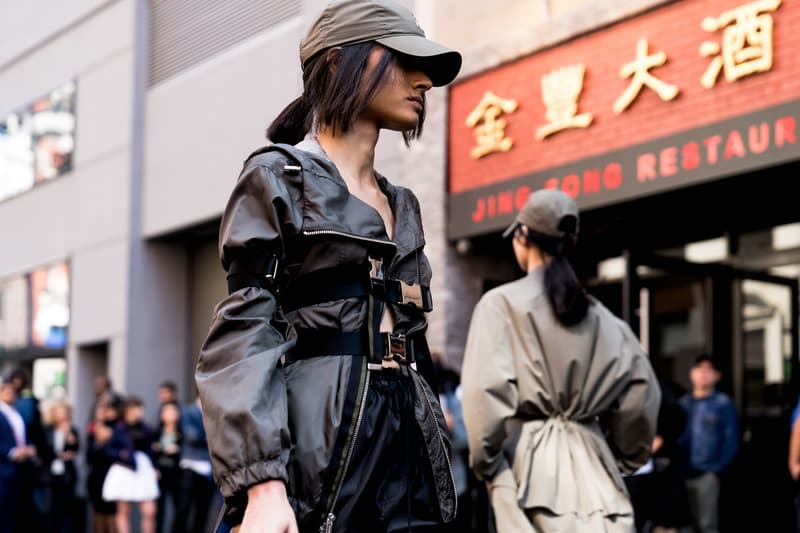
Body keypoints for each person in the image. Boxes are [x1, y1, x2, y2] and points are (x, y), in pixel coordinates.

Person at [194, 1, 462, 531]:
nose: (424, 81)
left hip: (406, 448)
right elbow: (244, 332)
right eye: (403, 59)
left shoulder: (404, 204)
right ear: (339, 62)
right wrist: (263, 486)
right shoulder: (278, 177)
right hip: (320, 447)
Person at [460, 189, 661, 533]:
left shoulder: (501, 305)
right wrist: (617, 458)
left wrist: (488, 467)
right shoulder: (607, 321)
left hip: (528, 473)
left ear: (523, 235)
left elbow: (484, 396)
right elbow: (641, 400)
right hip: (598, 476)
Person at [677, 354, 740, 533]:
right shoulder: (683, 404)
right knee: (685, 525)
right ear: (691, 373)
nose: (703, 374)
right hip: (682, 473)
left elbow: (731, 441)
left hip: (708, 473)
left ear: (717, 376)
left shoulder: (722, 403)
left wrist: (717, 470)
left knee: (707, 525)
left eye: (709, 370)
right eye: (699, 369)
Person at [101, 396, 160, 533]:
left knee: (149, 511)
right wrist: (122, 454)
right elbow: (108, 449)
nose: (138, 411)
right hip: (125, 469)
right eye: (134, 408)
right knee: (123, 511)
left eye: (139, 408)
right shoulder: (119, 428)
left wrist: (155, 467)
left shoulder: (145, 427)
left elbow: (150, 449)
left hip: (143, 468)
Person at [174, 397, 216, 533]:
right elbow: (192, 436)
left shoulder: (214, 413)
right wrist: (211, 439)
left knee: (203, 511)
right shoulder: (187, 411)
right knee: (184, 509)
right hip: (191, 467)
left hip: (209, 469)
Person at [0, 378, 37, 533]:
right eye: (7, 391)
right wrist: (12, 452)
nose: (10, 394)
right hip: (3, 469)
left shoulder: (17, 413)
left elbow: (22, 435)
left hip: (19, 470)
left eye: (12, 392)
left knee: (14, 512)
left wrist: (27, 449)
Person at [43, 400, 80, 533]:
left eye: (64, 412)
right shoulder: (47, 430)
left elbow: (75, 449)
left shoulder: (72, 430)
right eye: (59, 411)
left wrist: (68, 434)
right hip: (50, 476)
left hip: (67, 475)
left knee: (66, 509)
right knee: (50, 509)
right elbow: (44, 451)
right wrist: (59, 455)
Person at [86, 396, 119, 533]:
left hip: (111, 475)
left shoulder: (116, 429)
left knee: (112, 514)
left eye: (105, 409)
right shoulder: (91, 429)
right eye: (99, 408)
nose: (101, 411)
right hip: (96, 475)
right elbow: (89, 456)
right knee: (98, 513)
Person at [154, 401, 182, 533]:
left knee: (179, 508)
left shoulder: (182, 432)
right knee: (160, 508)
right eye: (166, 412)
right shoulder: (157, 431)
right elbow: (152, 451)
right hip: (160, 473)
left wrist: (177, 449)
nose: (170, 415)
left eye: (172, 411)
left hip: (177, 473)